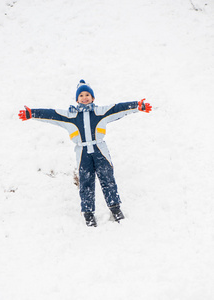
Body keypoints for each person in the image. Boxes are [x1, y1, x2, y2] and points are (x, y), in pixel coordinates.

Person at [18, 79, 152, 227]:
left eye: (87, 94)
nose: (84, 97)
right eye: (81, 95)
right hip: (82, 153)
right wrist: (32, 113)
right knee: (86, 182)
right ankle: (88, 214)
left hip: (100, 151)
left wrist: (137, 105)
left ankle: (115, 209)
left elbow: (117, 109)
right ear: (77, 99)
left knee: (107, 179)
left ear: (93, 98)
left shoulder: (100, 112)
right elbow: (52, 114)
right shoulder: (70, 115)